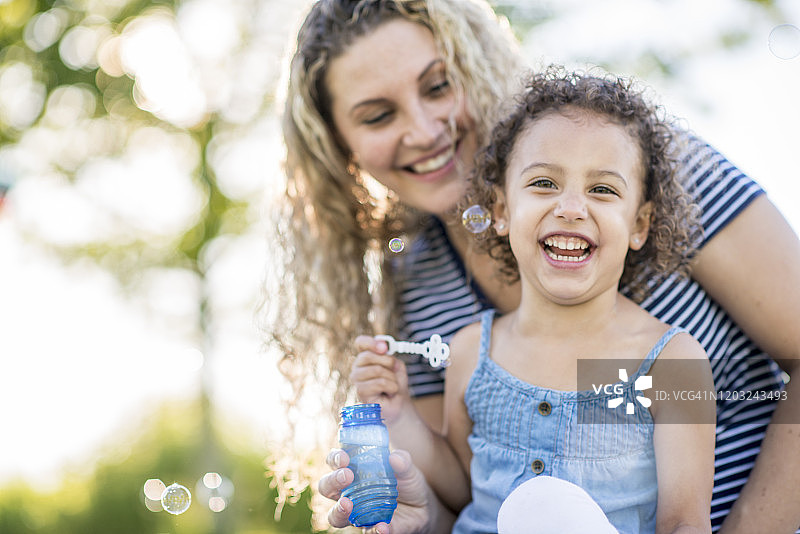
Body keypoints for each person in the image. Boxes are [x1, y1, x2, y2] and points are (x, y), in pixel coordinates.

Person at [271, 0, 800, 532]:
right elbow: (472, 489)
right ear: (340, 147)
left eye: (437, 86)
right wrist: (418, 510)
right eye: (379, 115)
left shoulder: (648, 165)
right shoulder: (422, 286)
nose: (425, 129)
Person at [352, 68, 718, 533]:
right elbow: (463, 487)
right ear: (502, 211)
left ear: (639, 225)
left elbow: (685, 524)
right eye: (544, 183)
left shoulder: (671, 363)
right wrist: (399, 413)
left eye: (602, 189)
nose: (570, 207)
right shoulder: (472, 351)